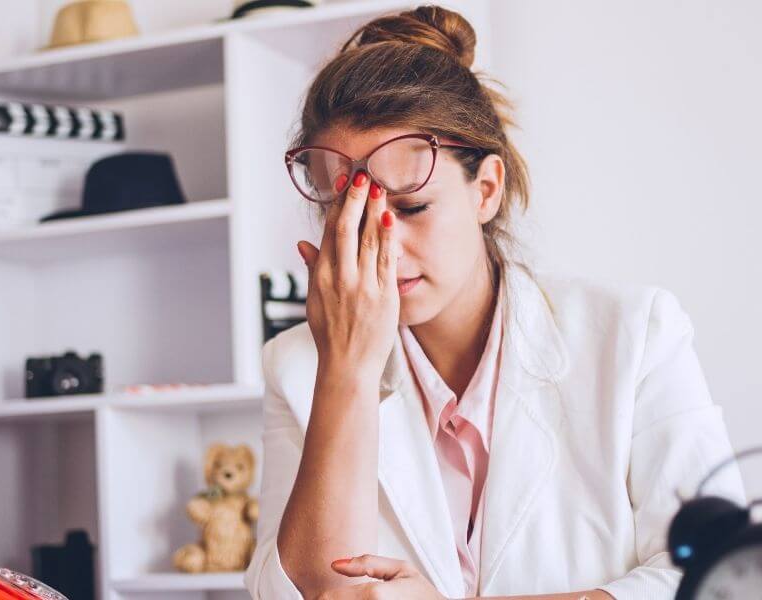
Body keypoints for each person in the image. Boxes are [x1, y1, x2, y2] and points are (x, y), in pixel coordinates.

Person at [243, 5, 747, 599]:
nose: (383, 246)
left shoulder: (635, 336)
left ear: (485, 189)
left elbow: (722, 579)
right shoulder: (298, 367)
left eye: (411, 208)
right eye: (345, 213)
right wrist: (347, 374)